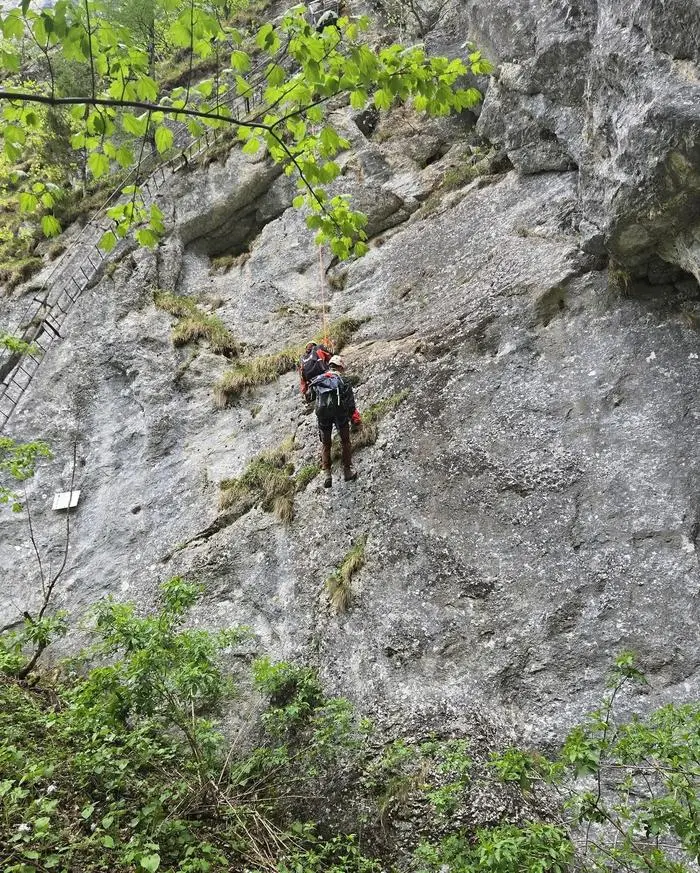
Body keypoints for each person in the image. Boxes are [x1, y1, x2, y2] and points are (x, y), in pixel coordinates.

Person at [310, 354, 361, 487]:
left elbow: (313, 397)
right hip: (340, 414)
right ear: (340, 367)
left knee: (326, 444)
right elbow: (350, 403)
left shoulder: (320, 379)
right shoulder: (342, 380)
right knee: (345, 441)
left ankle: (327, 474)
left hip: (323, 415)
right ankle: (347, 471)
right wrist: (353, 418)